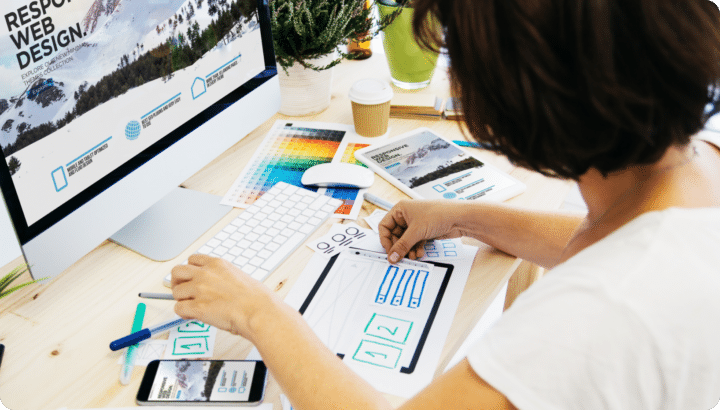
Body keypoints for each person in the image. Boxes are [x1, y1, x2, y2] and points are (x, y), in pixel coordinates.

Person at [170, 0, 720, 408]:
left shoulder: (598, 313)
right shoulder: (699, 163)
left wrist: (259, 313)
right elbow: (611, 242)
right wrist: (462, 216)